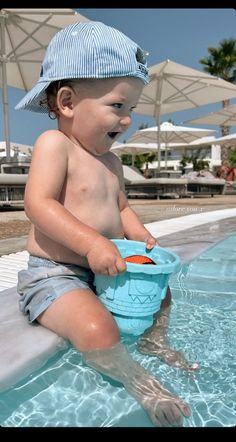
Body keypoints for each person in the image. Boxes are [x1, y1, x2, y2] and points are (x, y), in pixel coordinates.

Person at [16, 21, 198, 427]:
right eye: (118, 106)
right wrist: (91, 245)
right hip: (58, 274)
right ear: (66, 102)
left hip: (109, 270)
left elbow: (122, 209)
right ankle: (139, 382)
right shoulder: (55, 146)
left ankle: (155, 341)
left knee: (163, 296)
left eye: (132, 109)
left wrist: (141, 237)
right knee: (98, 328)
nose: (128, 119)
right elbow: (38, 204)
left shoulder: (112, 162)